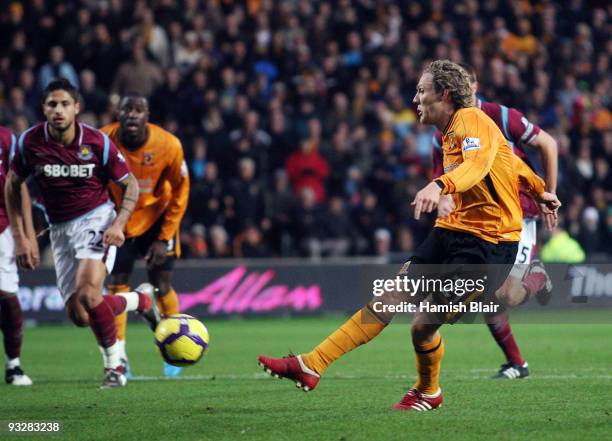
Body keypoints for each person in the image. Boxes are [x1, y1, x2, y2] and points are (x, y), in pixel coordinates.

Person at [258, 60, 560, 411]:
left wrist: (440, 185)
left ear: (444, 94)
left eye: (421, 90)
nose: (415, 98)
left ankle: (429, 391)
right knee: (386, 300)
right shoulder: (447, 133)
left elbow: (477, 167)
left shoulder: (473, 120)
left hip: (489, 246)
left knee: (422, 326)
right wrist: (540, 191)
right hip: (454, 230)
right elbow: (510, 160)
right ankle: (312, 364)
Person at [4, 79, 159, 388]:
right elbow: (12, 184)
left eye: (64, 104)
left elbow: (128, 185)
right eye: (52, 104)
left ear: (77, 108)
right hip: (60, 229)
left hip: (97, 219)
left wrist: (118, 224)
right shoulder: (30, 143)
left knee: (89, 293)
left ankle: (114, 367)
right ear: (44, 109)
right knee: (79, 314)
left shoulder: (97, 143)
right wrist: (23, 237)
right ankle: (140, 300)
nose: (58, 111)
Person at [432, 64, 558, 379]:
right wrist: (444, 200)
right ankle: (518, 364)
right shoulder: (444, 130)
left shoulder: (500, 116)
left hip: (517, 213)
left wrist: (548, 194)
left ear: (474, 87)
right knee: (485, 294)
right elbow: (443, 176)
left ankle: (537, 277)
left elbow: (549, 144)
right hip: (480, 219)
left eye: (467, 85)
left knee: (505, 295)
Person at [101, 94, 189, 377]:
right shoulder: (103, 139)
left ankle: (175, 350)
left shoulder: (169, 145)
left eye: (138, 110)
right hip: (120, 219)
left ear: (147, 115)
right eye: (127, 109)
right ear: (119, 113)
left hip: (157, 216)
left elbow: (181, 191)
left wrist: (164, 237)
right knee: (117, 284)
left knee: (161, 284)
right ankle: (119, 357)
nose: (132, 115)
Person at [0, 125, 36, 386]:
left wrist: (26, 236)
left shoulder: (6, 138)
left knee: (7, 295)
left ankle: (13, 365)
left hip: (2, 225)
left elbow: (18, 186)